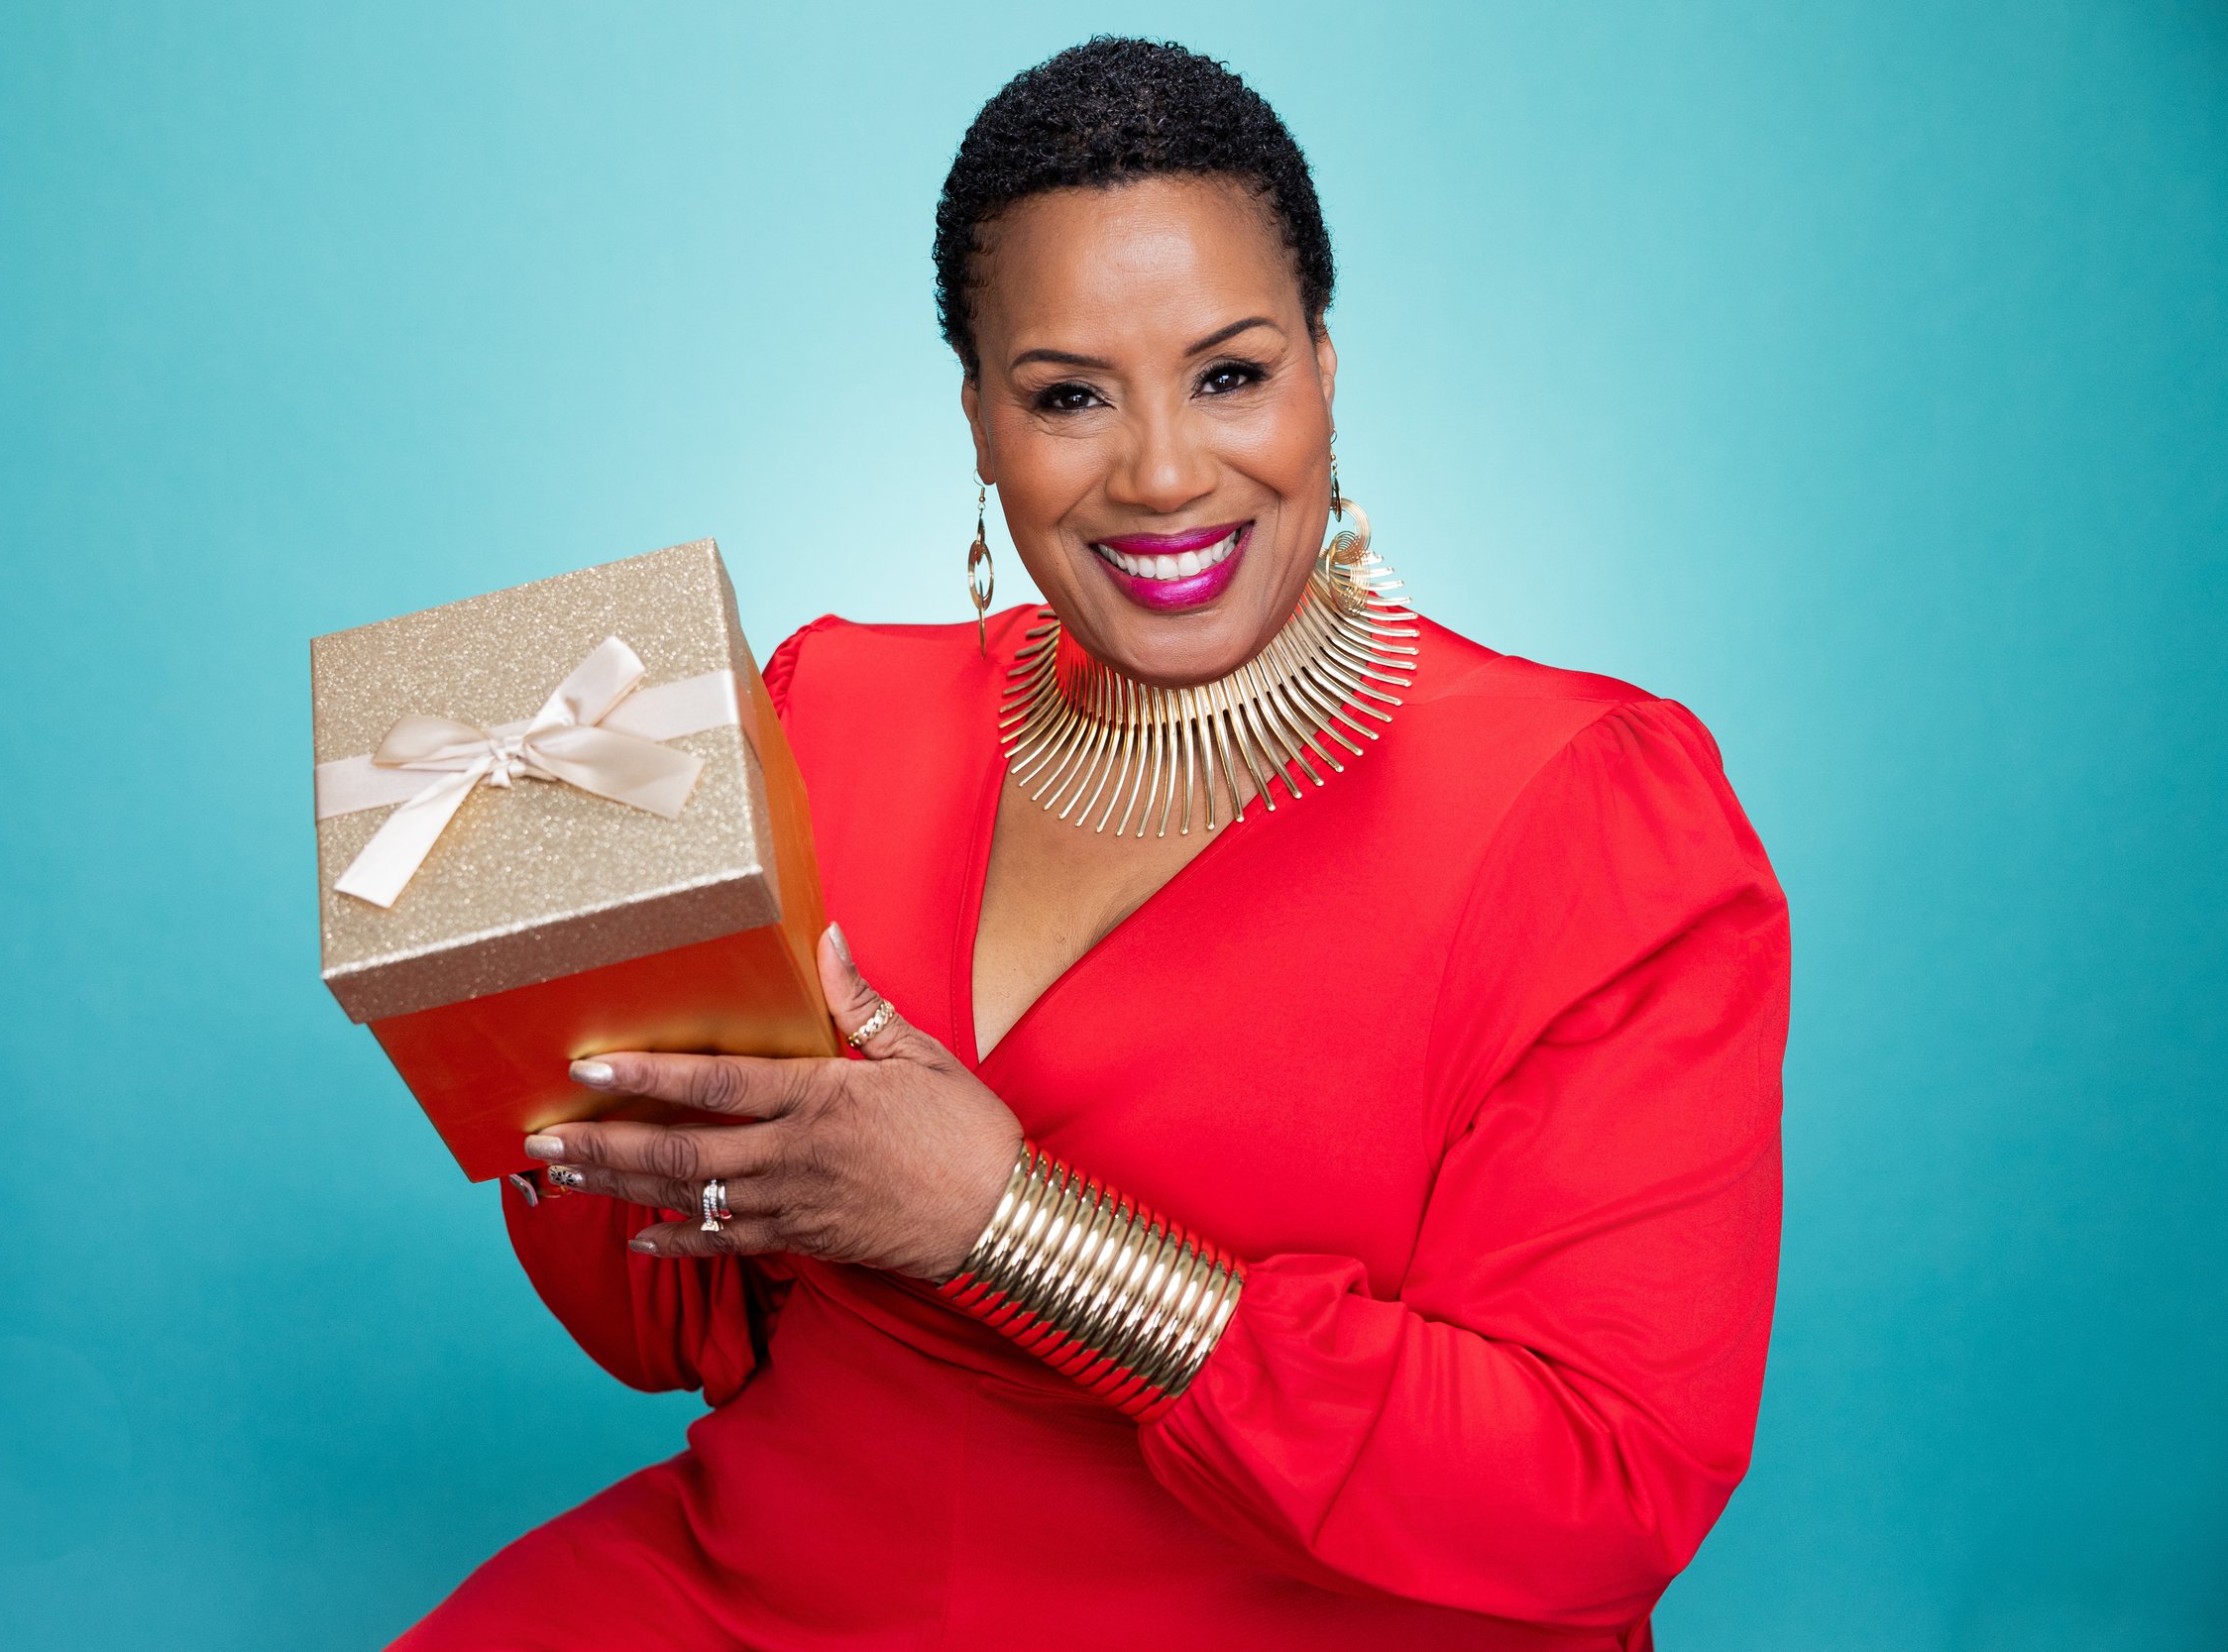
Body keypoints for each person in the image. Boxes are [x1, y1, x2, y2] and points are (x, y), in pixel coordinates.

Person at [394, 37, 1786, 1652]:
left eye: (1231, 373)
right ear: (981, 424)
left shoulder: (1592, 810)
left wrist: (1005, 1227)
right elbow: (669, 1326)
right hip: (780, 1584)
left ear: (1327, 368)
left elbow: (1602, 1501)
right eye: (1068, 395)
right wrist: (521, 995)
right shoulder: (828, 708)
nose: (1165, 474)